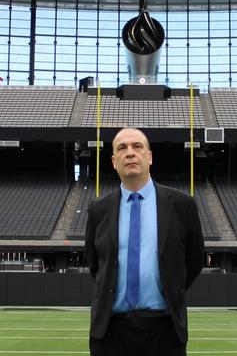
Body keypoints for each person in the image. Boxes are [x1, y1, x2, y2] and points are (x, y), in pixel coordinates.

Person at [85, 127, 205, 356]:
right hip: (110, 332)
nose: (130, 153)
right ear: (113, 161)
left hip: (165, 330)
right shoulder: (98, 209)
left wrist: (172, 287)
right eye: (122, 148)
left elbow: (195, 260)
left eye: (137, 146)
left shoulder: (182, 205)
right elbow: (95, 264)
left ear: (149, 157)